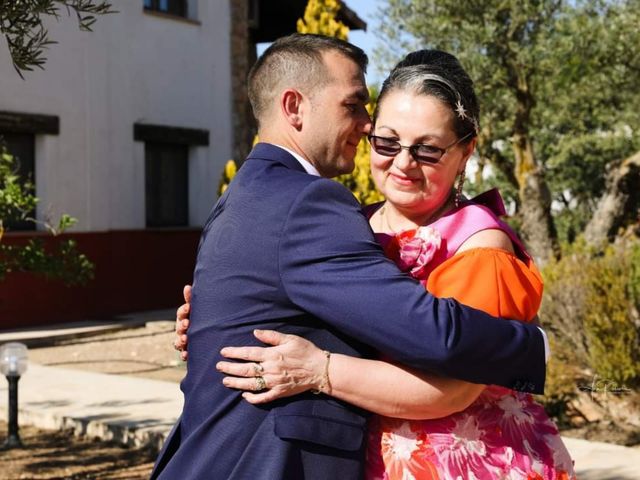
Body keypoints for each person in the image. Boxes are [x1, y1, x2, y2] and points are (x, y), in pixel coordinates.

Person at [155, 34, 549, 480]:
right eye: (385, 140)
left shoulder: (477, 244)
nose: (402, 161)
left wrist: (320, 370)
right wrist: (215, 319)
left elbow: (451, 387)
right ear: (294, 107)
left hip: (448, 461)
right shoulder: (332, 213)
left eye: (427, 149)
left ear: (465, 151)